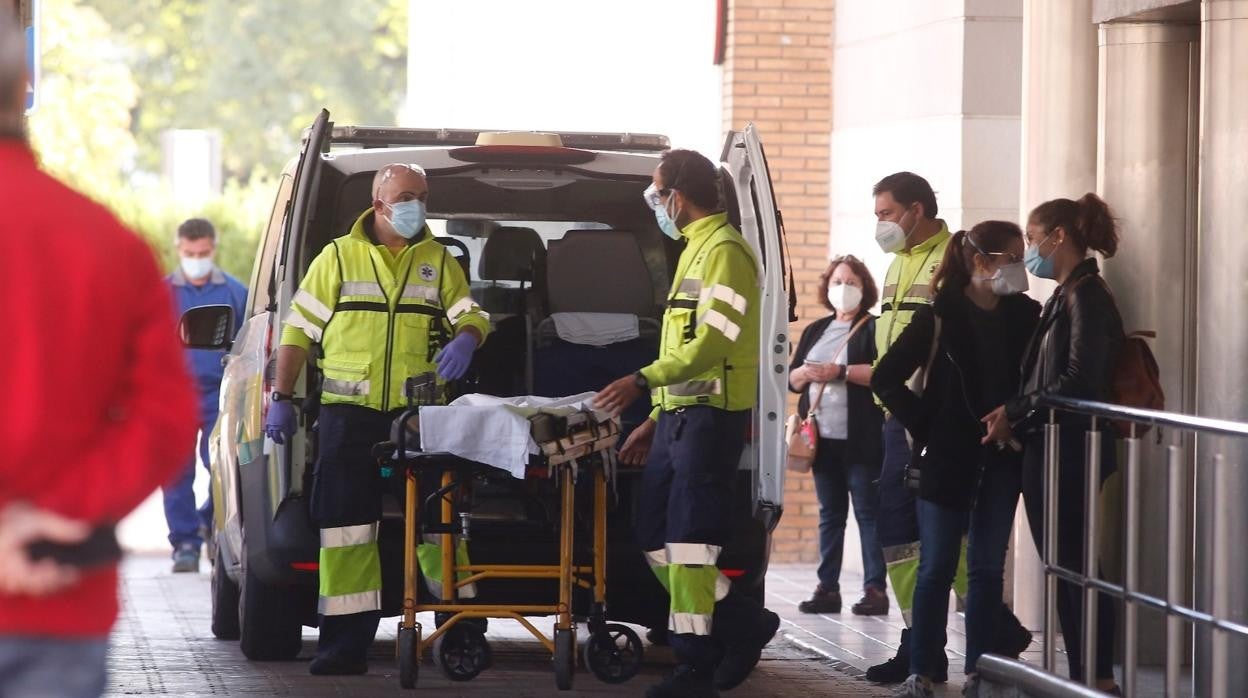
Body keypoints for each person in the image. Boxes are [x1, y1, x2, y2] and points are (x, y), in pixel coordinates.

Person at [0, 14, 199, 696]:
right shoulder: (109, 244)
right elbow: (167, 421)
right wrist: (53, 518)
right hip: (58, 600)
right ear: (22, 90)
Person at [264, 163, 491, 676]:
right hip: (350, 417)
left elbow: (472, 313)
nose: (416, 205)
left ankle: (461, 635)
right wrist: (281, 394)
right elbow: (298, 331)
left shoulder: (437, 259)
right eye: (407, 195)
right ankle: (344, 647)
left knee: (442, 528)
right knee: (347, 531)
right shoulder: (338, 258)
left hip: (420, 417)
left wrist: (467, 337)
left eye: (423, 195)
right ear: (379, 201)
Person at [595, 149, 780, 698]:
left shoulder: (725, 251)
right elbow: (686, 345)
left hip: (710, 422)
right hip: (678, 420)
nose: (655, 204)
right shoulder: (693, 250)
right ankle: (744, 624)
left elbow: (714, 342)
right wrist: (654, 416)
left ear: (678, 195)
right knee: (655, 537)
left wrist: (643, 379)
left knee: (690, 544)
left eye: (657, 193)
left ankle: (695, 663)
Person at [867, 173, 1032, 683]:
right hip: (945, 456)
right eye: (1013, 258)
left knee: (985, 570)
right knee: (936, 566)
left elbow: (1036, 380)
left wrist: (1015, 416)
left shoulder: (1028, 315)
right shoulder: (941, 314)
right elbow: (886, 375)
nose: (1021, 269)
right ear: (982, 262)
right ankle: (922, 668)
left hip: (1003, 454)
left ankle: (982, 672)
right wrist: (929, 428)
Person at [983, 193, 1124, 692]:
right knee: (1066, 568)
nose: (1030, 249)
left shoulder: (1087, 294)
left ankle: (1097, 676)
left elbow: (1081, 378)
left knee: (1077, 568)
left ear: (1058, 236)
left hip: (1071, 450)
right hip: (1049, 447)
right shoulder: (1064, 296)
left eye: (1032, 237)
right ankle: (1086, 674)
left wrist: (1017, 410)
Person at [788, 255, 887, 616]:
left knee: (868, 514)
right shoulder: (816, 329)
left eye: (851, 283)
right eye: (836, 282)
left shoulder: (874, 328)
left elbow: (884, 372)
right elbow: (792, 377)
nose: (842, 289)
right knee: (830, 515)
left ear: (865, 289)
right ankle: (827, 587)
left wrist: (839, 371)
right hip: (821, 440)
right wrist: (805, 375)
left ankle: (875, 588)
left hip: (861, 440)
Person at [163, 218, 247, 573]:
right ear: (179, 249)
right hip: (173, 396)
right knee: (175, 472)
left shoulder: (234, 292)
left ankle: (208, 523)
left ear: (213, 248)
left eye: (202, 253)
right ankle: (184, 543)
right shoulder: (161, 293)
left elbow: (244, 345)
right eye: (189, 253)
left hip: (219, 394)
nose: (196, 258)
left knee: (220, 468)